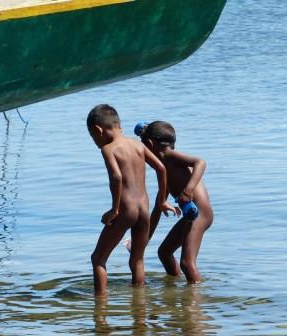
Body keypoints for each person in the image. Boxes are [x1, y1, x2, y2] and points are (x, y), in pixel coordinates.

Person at [86, 105, 175, 295]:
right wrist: (162, 200)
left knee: (98, 259)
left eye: (93, 137)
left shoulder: (108, 149)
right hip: (144, 209)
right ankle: (140, 310)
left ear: (98, 130)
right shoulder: (138, 145)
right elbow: (161, 168)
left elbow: (116, 177)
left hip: (126, 209)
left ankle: (100, 309)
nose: (95, 142)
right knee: (137, 261)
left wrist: (114, 209)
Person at [136, 121, 213, 283]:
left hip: (200, 213)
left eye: (142, 149)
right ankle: (175, 287)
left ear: (149, 145)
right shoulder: (161, 168)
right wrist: (143, 242)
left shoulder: (170, 156)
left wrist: (188, 191)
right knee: (164, 252)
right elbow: (159, 206)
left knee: (186, 262)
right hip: (190, 215)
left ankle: (195, 300)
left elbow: (200, 162)